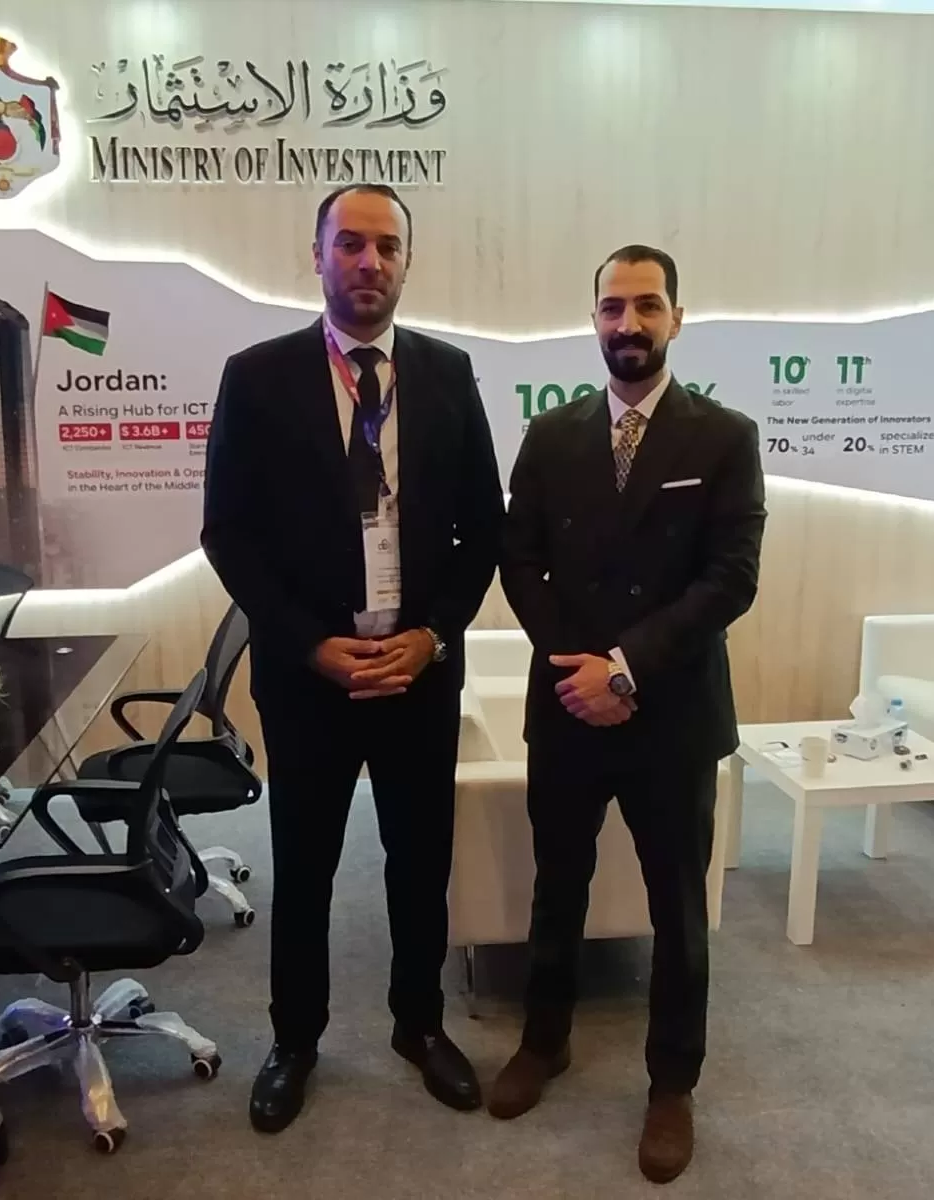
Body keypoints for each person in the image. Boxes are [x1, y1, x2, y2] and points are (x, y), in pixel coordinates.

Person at [202, 184, 504, 1134]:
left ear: (407, 262)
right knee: (305, 868)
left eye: (387, 246)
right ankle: (295, 1040)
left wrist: (435, 634)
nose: (369, 262)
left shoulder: (449, 374)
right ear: (318, 255)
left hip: (418, 674)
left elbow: (483, 530)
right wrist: (308, 644)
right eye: (350, 244)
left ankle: (420, 1024)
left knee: (419, 863)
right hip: (309, 681)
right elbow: (228, 535)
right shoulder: (257, 377)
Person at [490, 245, 766, 1184]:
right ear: (594, 320)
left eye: (648, 306)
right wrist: (581, 670)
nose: (629, 323)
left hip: (671, 711)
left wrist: (625, 669)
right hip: (568, 702)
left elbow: (730, 579)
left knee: (677, 908)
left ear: (677, 318)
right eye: (613, 307)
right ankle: (545, 1040)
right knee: (556, 887)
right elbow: (518, 558)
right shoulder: (552, 434)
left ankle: (672, 1084)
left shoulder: (723, 437)